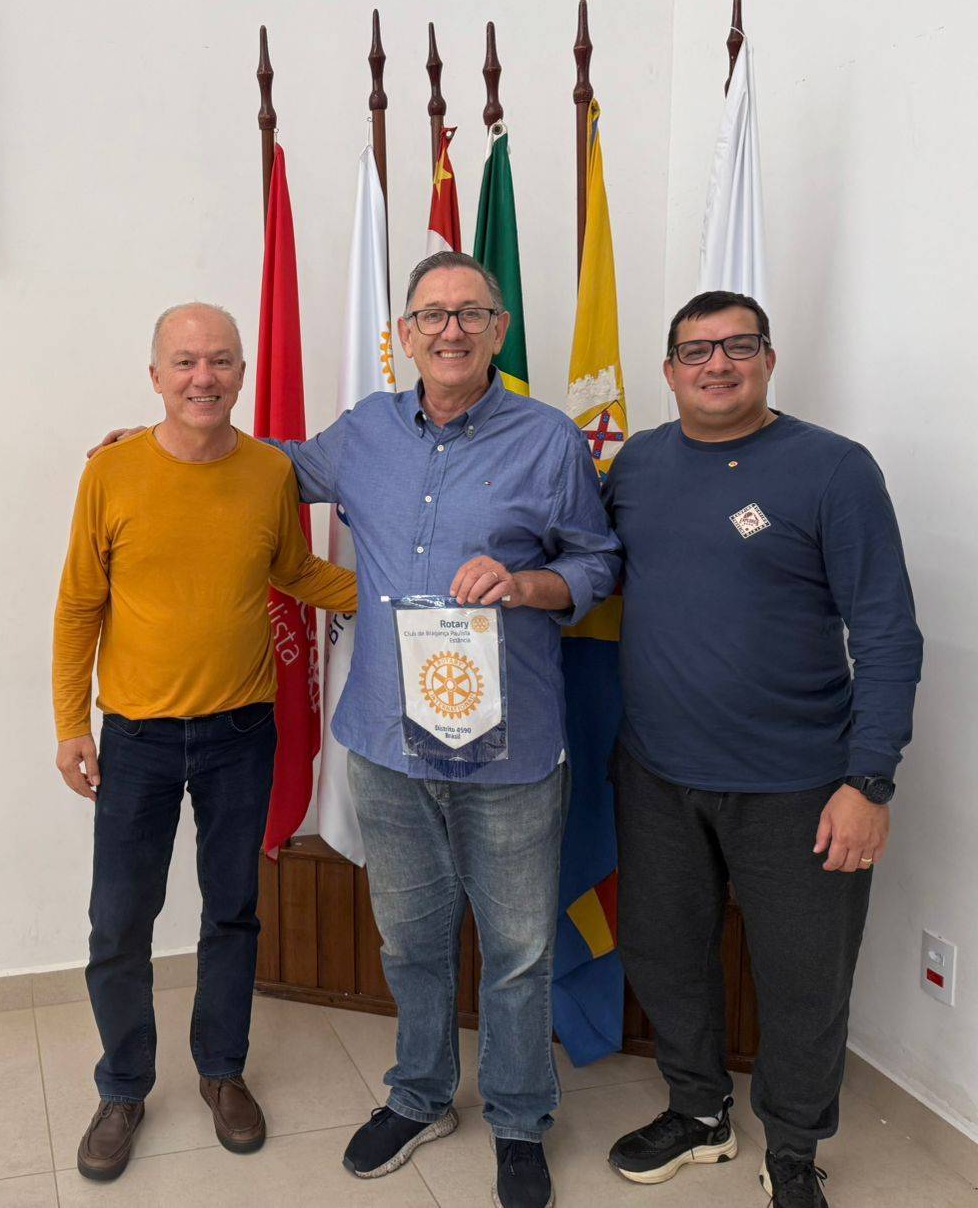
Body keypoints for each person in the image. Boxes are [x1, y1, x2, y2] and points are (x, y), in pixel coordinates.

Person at [264, 252, 618, 1208]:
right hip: (388, 742)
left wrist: (529, 584)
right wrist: (170, 441)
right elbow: (272, 470)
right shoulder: (364, 432)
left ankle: (519, 1118)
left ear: (499, 330)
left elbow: (597, 562)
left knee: (518, 951)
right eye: (431, 314)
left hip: (511, 747)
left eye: (470, 313)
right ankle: (420, 1095)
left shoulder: (549, 440)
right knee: (411, 941)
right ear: (405, 336)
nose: (450, 330)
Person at [602, 291, 922, 1208]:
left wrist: (869, 781)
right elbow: (586, 565)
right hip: (656, 773)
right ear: (669, 371)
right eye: (696, 350)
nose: (718, 364)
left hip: (801, 784)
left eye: (738, 345)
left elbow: (888, 634)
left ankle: (792, 1149)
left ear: (769, 360)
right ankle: (699, 1112)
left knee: (804, 981)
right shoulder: (637, 464)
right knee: (664, 954)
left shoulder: (833, 469)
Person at [52, 301, 358, 1182]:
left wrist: (397, 597)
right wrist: (72, 723)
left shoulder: (268, 472)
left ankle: (222, 1072)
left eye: (221, 361)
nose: (203, 377)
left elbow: (293, 570)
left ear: (242, 374)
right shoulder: (112, 473)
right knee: (120, 921)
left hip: (240, 734)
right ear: (155, 376)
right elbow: (79, 605)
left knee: (232, 911)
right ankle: (123, 1087)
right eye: (184, 362)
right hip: (137, 738)